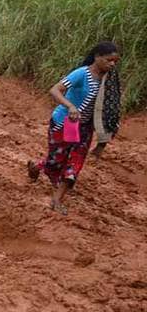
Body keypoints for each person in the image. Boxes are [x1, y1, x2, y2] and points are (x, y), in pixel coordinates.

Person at [27, 42, 121, 215]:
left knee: (75, 164)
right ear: (97, 57)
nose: (112, 64)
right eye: (109, 60)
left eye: (115, 61)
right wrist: (70, 106)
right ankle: (36, 167)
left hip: (85, 127)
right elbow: (55, 90)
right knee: (56, 161)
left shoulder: (109, 80)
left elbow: (111, 109)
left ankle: (56, 200)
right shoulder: (81, 74)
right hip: (65, 123)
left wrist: (102, 141)